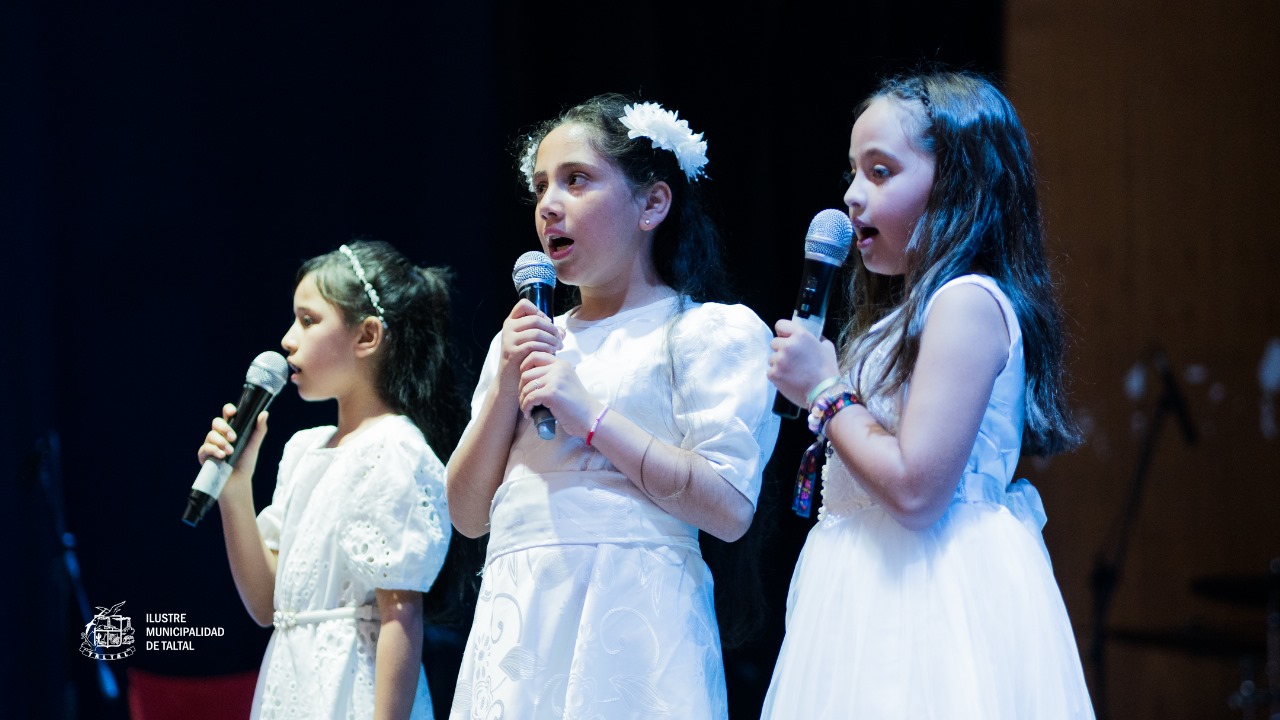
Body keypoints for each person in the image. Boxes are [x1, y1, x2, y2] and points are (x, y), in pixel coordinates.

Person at [762, 70, 1095, 718]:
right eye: (853, 173)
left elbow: (916, 488)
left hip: (932, 592)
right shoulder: (906, 314)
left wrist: (825, 392)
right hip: (865, 583)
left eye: (881, 172)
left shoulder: (966, 303)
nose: (853, 197)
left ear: (958, 184)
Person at [446, 94, 780, 719]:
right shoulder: (523, 340)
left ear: (652, 203)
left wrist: (591, 417)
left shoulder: (705, 332)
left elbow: (730, 509)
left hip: (634, 622)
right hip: (520, 622)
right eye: (541, 185)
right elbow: (467, 515)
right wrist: (502, 390)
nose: (549, 204)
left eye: (576, 180)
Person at [198, 240, 459, 719]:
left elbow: (402, 616)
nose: (288, 340)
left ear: (367, 336)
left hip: (351, 692)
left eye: (308, 320)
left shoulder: (394, 449)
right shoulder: (303, 450)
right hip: (292, 688)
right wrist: (237, 489)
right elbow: (266, 605)